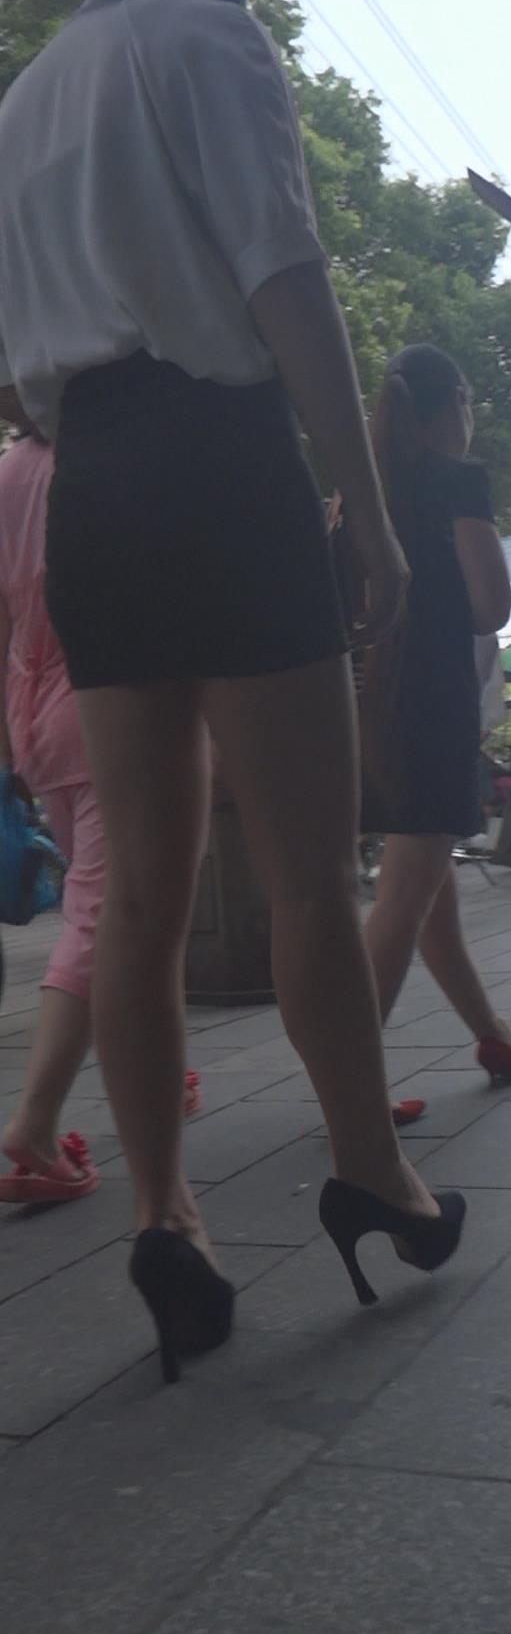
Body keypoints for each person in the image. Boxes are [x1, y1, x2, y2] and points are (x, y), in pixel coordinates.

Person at [0, 0, 465, 1384]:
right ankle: (374, 1177)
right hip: (225, 463)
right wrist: (372, 523)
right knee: (308, 873)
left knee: (139, 895)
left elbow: (17, 368)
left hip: (94, 482)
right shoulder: (212, 37)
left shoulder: (22, 104)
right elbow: (285, 279)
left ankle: (166, 1216)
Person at [0, 435, 205, 1204]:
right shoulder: (106, 445)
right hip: (106, 707)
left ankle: (160, 1064)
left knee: (122, 906)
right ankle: (35, 1121)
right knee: (105, 917)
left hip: (34, 720)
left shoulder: (9, 472)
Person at [360, 344, 511, 1086]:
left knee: (429, 893)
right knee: (406, 895)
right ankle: (352, 1086)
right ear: (452, 405)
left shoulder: (359, 488)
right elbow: (491, 605)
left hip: (371, 704)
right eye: (469, 401)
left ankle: (494, 1037)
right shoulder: (457, 480)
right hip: (433, 699)